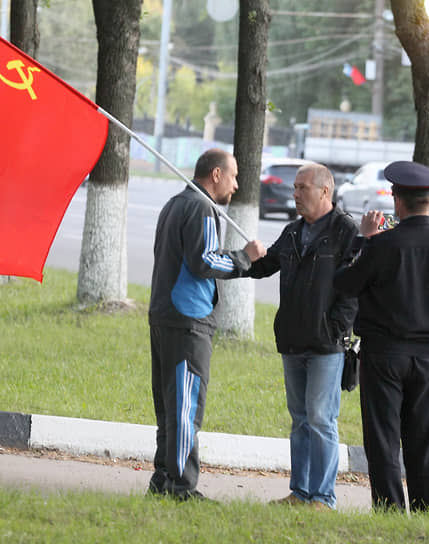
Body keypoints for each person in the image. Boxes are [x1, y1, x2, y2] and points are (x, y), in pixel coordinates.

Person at [333, 160, 429, 513]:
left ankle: (390, 509)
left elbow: (345, 285)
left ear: (397, 201)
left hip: (383, 354)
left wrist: (362, 242)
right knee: (425, 436)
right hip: (428, 355)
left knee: (383, 437)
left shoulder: (381, 246)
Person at [148, 148, 266, 500]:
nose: (236, 184)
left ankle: (163, 480)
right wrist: (246, 258)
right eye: (233, 176)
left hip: (166, 316)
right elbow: (204, 261)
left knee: (170, 407)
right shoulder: (201, 207)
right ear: (215, 174)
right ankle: (180, 488)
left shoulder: (174, 203)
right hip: (188, 320)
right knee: (184, 407)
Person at [246, 163, 359, 510]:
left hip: (326, 344)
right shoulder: (293, 231)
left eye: (302, 188)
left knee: (321, 419)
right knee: (299, 420)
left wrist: (334, 328)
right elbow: (266, 265)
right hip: (292, 340)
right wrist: (252, 257)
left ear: (325, 191)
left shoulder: (345, 231)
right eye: (295, 187)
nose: (294, 194)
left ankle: (323, 497)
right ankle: (300, 492)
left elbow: (354, 289)